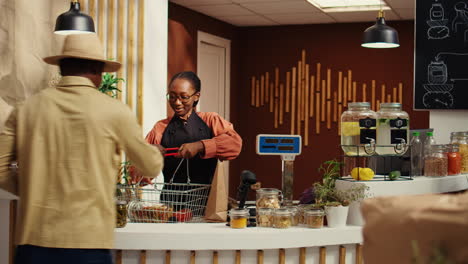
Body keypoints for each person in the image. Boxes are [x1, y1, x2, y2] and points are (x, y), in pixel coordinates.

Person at [0, 34, 163, 264]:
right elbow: (151, 165)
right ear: (98, 72)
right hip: (90, 243)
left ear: (62, 68)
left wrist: (31, 188)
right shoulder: (115, 112)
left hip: (34, 241)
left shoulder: (26, 109)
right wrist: (157, 151)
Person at [143, 71, 242, 185]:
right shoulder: (161, 127)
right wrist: (149, 156)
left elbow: (235, 144)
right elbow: (138, 176)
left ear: (196, 96)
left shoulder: (210, 120)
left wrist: (200, 145)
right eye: (172, 96)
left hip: (208, 198)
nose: (177, 102)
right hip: (170, 199)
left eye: (184, 97)